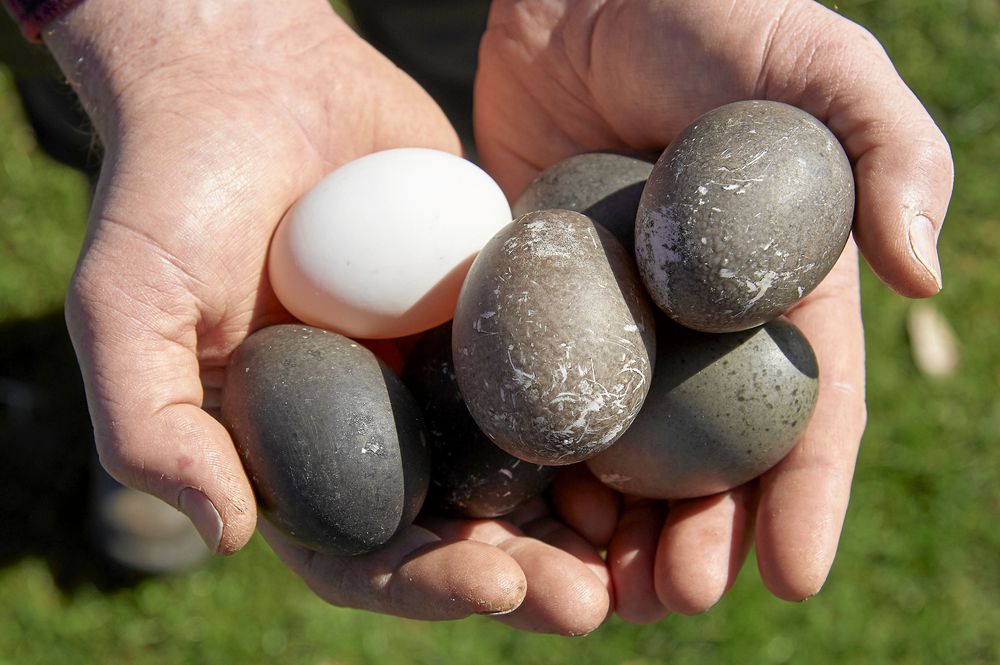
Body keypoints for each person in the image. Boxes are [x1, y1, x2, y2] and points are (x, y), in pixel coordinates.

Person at [2, 0, 952, 635]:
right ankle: (189, 352)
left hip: (537, 69)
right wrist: (169, 31)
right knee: (140, 152)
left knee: (474, 82)